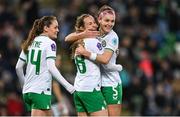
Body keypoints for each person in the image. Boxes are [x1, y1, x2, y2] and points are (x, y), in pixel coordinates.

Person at [66, 5, 123, 116]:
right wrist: (83, 34)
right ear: (99, 20)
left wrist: (85, 53)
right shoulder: (93, 32)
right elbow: (67, 38)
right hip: (96, 83)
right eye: (107, 20)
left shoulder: (113, 37)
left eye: (112, 21)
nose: (110, 24)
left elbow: (105, 59)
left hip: (110, 83)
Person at [15, 16, 75, 116]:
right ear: (46, 28)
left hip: (29, 91)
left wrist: (24, 84)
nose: (58, 30)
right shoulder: (50, 43)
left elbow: (18, 67)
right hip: (40, 91)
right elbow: (51, 68)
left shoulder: (29, 42)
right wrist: (69, 87)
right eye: (55, 27)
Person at [71, 14, 108, 116]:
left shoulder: (78, 42)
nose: (94, 25)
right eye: (90, 24)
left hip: (78, 89)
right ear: (83, 28)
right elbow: (106, 60)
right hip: (91, 89)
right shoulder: (94, 42)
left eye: (94, 23)